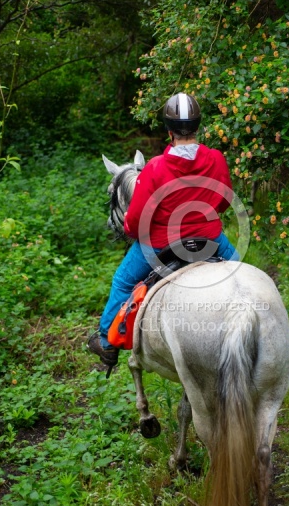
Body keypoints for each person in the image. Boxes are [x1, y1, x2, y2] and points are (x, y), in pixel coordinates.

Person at [88, 92, 239, 366]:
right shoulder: (216, 158)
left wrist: (135, 230)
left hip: (160, 244)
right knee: (242, 276)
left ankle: (107, 343)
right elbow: (225, 199)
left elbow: (134, 222)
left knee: (122, 281)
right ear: (198, 126)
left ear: (169, 131)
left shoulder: (155, 167)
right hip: (210, 240)